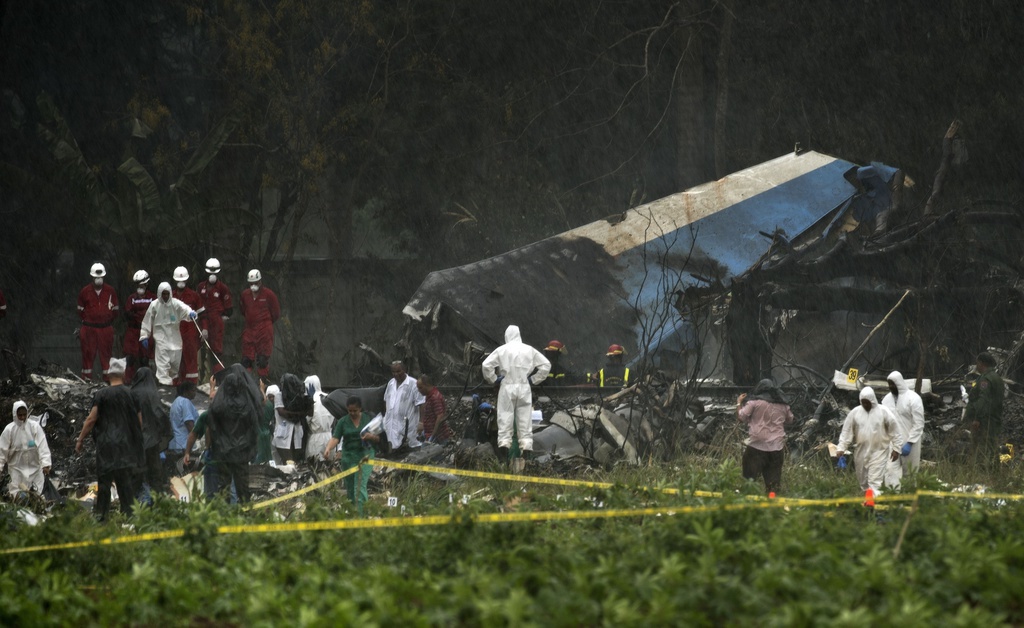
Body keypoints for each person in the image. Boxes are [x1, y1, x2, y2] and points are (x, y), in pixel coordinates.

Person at [75, 358, 145, 521]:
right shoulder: (131, 394)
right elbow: (139, 422)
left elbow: (91, 419)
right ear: (124, 374)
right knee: (125, 483)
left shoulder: (101, 394)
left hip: (106, 446)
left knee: (104, 483)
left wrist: (80, 439)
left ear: (108, 374)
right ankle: (129, 518)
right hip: (125, 447)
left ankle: (102, 518)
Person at [482, 325, 551, 463]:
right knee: (525, 424)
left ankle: (504, 460)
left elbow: (486, 365)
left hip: (507, 387)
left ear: (507, 336)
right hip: (524, 387)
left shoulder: (502, 350)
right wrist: (533, 379)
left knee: (505, 422)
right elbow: (546, 365)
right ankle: (526, 460)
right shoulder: (529, 350)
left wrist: (494, 379)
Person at [206, 365, 261, 502]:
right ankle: (245, 517)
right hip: (241, 453)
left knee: (223, 489)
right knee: (243, 489)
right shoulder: (247, 406)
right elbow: (254, 427)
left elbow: (211, 426)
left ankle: (225, 517)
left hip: (224, 453)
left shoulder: (219, 406)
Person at [834, 387, 902, 494]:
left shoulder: (884, 412)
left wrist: (897, 448)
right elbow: (846, 431)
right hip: (861, 451)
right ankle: (868, 502)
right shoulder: (855, 413)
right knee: (863, 481)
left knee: (874, 482)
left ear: (873, 400)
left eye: (867, 403)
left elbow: (895, 430)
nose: (865, 405)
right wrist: (841, 447)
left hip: (879, 451)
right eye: (863, 402)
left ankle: (873, 506)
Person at [736, 379, 794, 494]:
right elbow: (790, 420)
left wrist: (739, 402)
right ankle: (771, 505)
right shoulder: (783, 405)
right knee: (773, 485)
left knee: (749, 480)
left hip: (756, 448)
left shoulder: (754, 403)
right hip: (776, 448)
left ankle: (749, 503)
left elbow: (741, 417)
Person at [322, 396, 377, 514]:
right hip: (348, 457)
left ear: (360, 409)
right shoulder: (342, 421)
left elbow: (378, 438)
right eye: (350, 411)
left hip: (365, 456)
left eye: (355, 411)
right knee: (351, 488)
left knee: (359, 486)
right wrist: (328, 448)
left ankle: (361, 518)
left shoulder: (368, 419)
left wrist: (370, 436)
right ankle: (353, 513)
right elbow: (336, 438)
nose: (352, 413)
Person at [140, 282, 198, 386]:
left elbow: (185, 308)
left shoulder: (175, 304)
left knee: (175, 366)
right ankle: (164, 387)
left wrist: (190, 313)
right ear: (159, 294)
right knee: (162, 367)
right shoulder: (154, 305)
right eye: (163, 294)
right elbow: (147, 320)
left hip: (175, 340)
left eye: (167, 294)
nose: (165, 296)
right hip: (161, 340)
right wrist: (144, 335)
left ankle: (173, 385)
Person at [131, 367, 172, 497]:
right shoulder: (151, 392)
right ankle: (157, 503)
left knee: (136, 474)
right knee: (155, 473)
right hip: (151, 440)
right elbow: (158, 413)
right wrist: (166, 430)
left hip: (133, 441)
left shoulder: (130, 392)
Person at [77, 262, 119, 381]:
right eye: (96, 277)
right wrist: (90, 320)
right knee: (87, 355)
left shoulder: (110, 291)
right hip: (89, 329)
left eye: (100, 277)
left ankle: (107, 380)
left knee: (106, 356)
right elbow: (80, 311)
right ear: (92, 277)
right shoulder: (85, 291)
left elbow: (115, 310)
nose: (98, 280)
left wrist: (106, 319)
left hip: (106, 329)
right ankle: (86, 379)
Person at [0, 401, 51, 498]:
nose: (23, 418)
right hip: (16, 472)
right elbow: (1, 451)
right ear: (15, 415)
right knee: (18, 498)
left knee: (37, 497)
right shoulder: (9, 430)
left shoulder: (34, 427)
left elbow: (42, 445)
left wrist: (46, 464)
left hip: (35, 471)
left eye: (24, 414)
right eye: (20, 415)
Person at [964, 351, 1005, 466]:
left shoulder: (985, 380)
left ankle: (984, 472)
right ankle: (994, 470)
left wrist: (977, 418)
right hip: (994, 418)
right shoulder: (997, 378)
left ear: (982, 363)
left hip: (985, 420)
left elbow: (983, 400)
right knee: (992, 445)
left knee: (983, 448)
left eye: (977, 363)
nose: (976, 366)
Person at [881, 371, 925, 475]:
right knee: (890, 472)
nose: (891, 386)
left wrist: (909, 443)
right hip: (892, 443)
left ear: (899, 383)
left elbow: (918, 423)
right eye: (889, 384)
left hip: (910, 444)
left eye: (893, 384)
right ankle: (893, 491)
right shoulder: (886, 400)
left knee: (910, 473)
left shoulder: (913, 398)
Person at [239, 269, 280, 379]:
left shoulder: (269, 295)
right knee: (246, 360)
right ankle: (246, 383)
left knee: (262, 359)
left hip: (264, 331)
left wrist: (264, 323)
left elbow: (276, 313)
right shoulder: (245, 295)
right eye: (251, 283)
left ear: (260, 282)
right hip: (249, 330)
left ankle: (263, 384)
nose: (253, 286)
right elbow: (243, 310)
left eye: (256, 283)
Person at [197, 258, 233, 375]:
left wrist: (224, 317)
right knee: (200, 348)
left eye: (214, 272)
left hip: (216, 321)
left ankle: (218, 376)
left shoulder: (223, 288)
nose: (212, 275)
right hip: (202, 320)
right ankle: (202, 375)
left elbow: (229, 308)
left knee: (216, 350)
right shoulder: (201, 287)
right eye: (210, 272)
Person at [172, 266, 204, 385]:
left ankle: (191, 386)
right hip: (174, 334)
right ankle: (175, 386)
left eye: (183, 280)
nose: (181, 283)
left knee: (190, 360)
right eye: (179, 281)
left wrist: (204, 329)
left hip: (190, 333)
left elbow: (203, 315)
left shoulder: (194, 296)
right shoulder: (170, 296)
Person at [382, 361, 425, 450]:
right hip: (390, 424)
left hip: (407, 426)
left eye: (398, 371)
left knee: (407, 448)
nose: (396, 374)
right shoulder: (391, 383)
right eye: (393, 372)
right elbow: (386, 400)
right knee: (391, 449)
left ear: (404, 370)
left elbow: (422, 403)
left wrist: (421, 422)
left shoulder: (413, 384)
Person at [123, 270, 155, 383]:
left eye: (141, 285)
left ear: (146, 284)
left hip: (146, 331)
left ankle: (145, 381)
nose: (139, 287)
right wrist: (138, 317)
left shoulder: (152, 298)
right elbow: (128, 313)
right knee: (130, 357)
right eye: (137, 285)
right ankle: (128, 380)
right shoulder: (132, 298)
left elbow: (154, 314)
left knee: (145, 358)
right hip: (133, 330)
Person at [166, 381, 199, 476]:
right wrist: (195, 437)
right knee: (187, 475)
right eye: (193, 390)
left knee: (179, 473)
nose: (195, 393)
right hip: (184, 445)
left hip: (176, 444)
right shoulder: (185, 402)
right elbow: (189, 422)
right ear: (185, 391)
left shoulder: (176, 402)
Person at [304, 375, 333, 460]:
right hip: (329, 436)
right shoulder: (328, 397)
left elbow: (307, 420)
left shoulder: (310, 400)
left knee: (316, 467)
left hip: (316, 439)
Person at [417, 375, 451, 444]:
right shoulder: (429, 396)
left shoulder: (434, 397)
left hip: (438, 438)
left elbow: (440, 417)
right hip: (430, 435)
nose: (419, 391)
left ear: (427, 385)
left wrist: (433, 436)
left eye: (420, 388)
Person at [257, 385, 279, 464]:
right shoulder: (268, 406)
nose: (271, 399)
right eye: (269, 397)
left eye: (272, 397)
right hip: (266, 434)